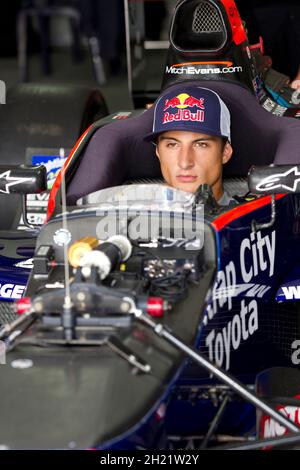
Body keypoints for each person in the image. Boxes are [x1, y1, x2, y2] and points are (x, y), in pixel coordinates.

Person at [143, 86, 234, 205]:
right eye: (172, 144)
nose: (185, 163)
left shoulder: (253, 220)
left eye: (201, 144)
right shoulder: (135, 218)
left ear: (225, 152)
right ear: (158, 152)